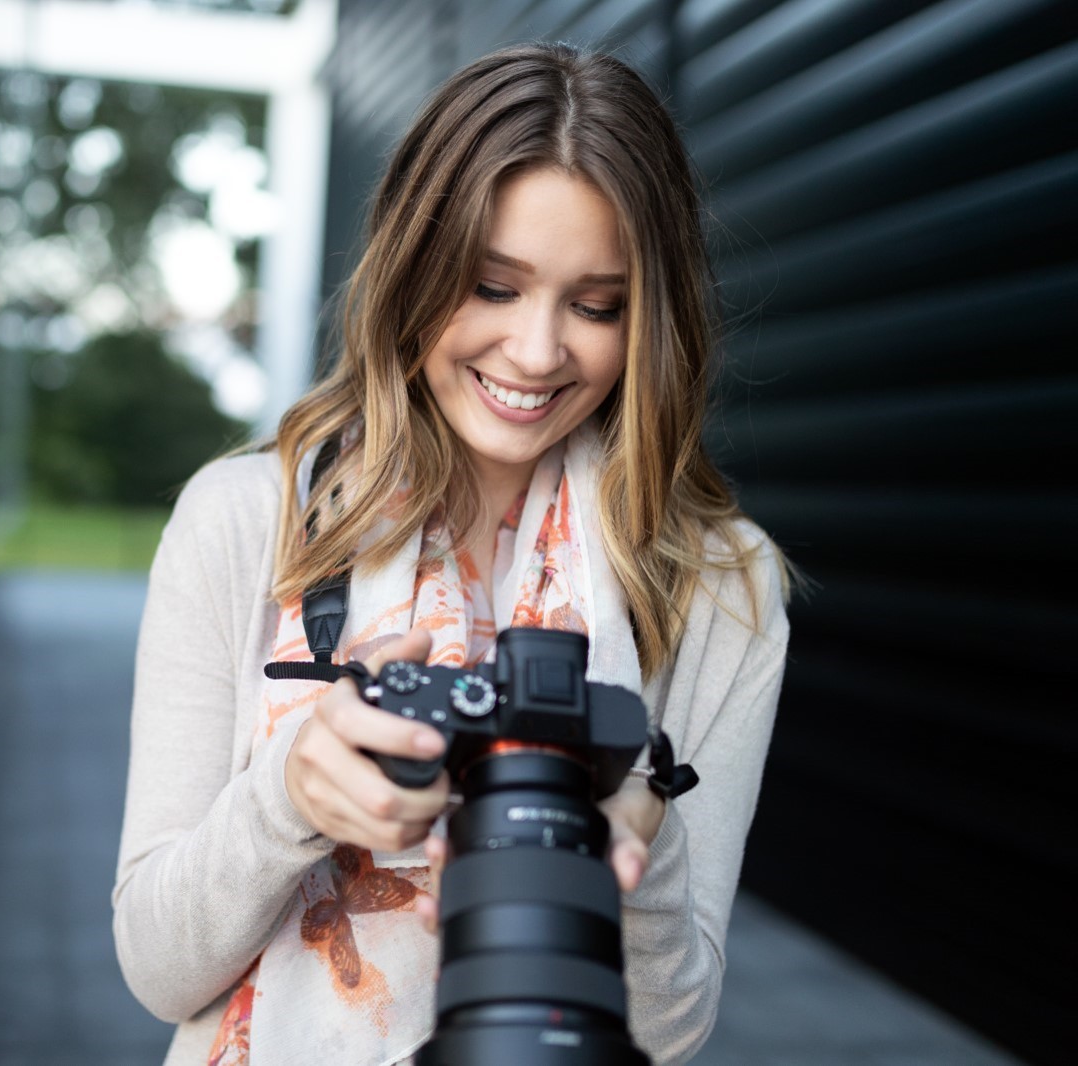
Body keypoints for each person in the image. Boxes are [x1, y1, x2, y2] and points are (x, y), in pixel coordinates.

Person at [112, 41, 789, 1066]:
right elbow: (158, 969)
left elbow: (671, 1033)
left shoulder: (722, 587)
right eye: (491, 285)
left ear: (651, 316)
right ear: (415, 264)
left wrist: (640, 842)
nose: (535, 351)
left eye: (597, 305)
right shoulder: (244, 522)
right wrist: (288, 795)